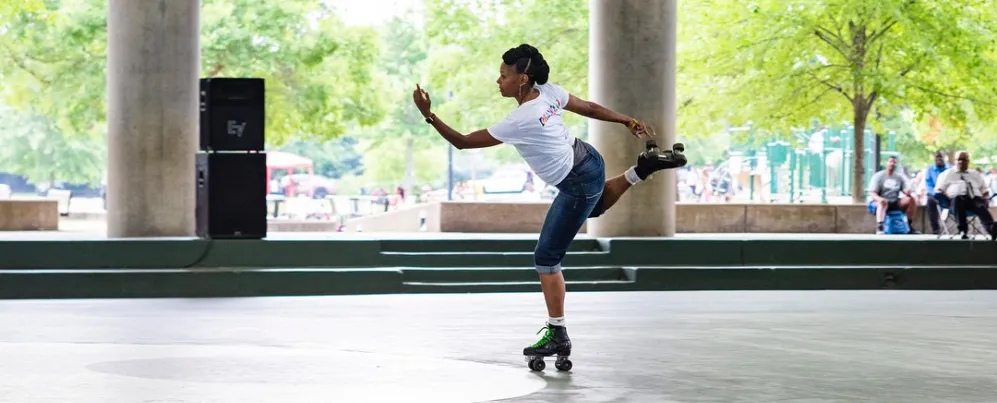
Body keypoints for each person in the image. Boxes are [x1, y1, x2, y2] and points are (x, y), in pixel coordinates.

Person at [411, 44, 685, 361]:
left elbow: (462, 142)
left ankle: (558, 334)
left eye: (503, 76)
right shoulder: (549, 93)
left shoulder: (519, 120)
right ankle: (642, 168)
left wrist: (428, 114)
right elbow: (589, 108)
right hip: (590, 160)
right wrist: (627, 121)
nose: (498, 81)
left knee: (546, 257)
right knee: (592, 207)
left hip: (577, 180)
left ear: (522, 79)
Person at [934, 151, 996, 240]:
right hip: (954, 202)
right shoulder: (947, 174)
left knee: (980, 205)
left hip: (974, 200)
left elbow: (984, 190)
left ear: (968, 161)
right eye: (959, 159)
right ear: (955, 161)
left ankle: (992, 229)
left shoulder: (975, 174)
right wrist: (944, 196)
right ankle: (963, 230)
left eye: (964, 159)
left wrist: (985, 196)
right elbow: (938, 190)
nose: (961, 162)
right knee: (958, 199)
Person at [868, 156, 917, 234]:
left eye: (894, 162)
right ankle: (880, 226)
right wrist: (879, 199)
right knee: (883, 202)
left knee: (912, 199)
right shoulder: (878, 176)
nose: (892, 164)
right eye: (890, 162)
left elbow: (904, 190)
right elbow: (872, 193)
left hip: (895, 201)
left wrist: (908, 192)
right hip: (880, 201)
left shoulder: (899, 177)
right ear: (886, 163)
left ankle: (909, 225)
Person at [923, 151, 950, 234]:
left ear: (944, 157)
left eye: (941, 156)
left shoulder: (950, 169)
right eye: (937, 157)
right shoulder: (930, 169)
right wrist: (935, 193)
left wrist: (946, 192)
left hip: (947, 194)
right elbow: (928, 184)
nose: (939, 158)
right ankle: (935, 229)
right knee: (930, 200)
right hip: (935, 194)